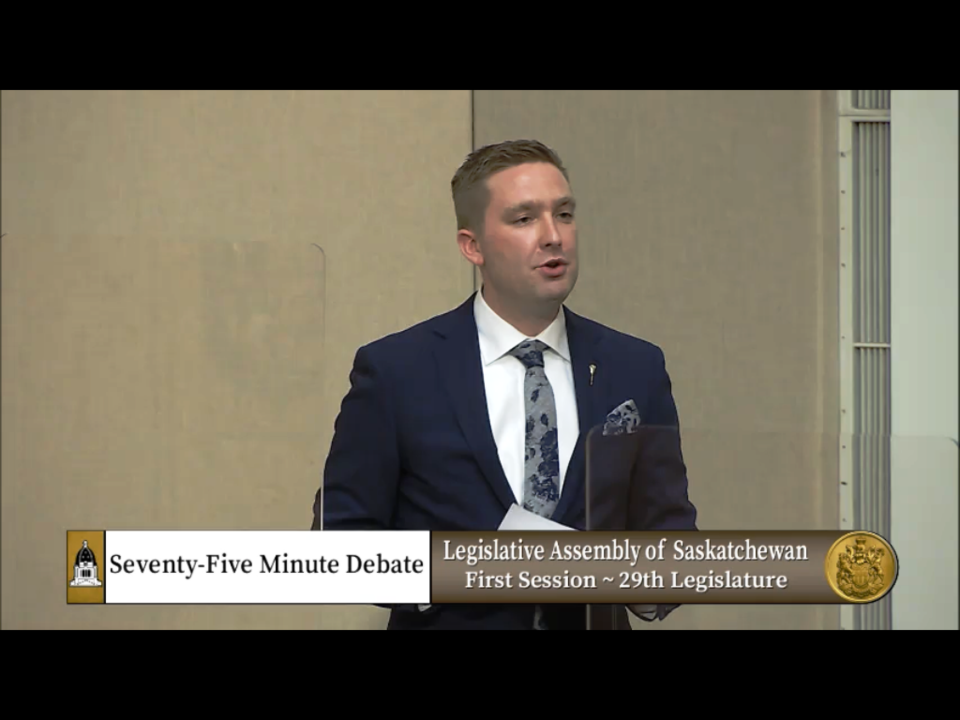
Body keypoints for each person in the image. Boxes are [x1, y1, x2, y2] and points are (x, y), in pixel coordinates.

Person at [314, 139, 697, 629]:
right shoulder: (396, 371)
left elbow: (671, 536)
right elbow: (340, 544)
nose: (553, 236)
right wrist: (473, 571)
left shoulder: (634, 367)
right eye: (524, 219)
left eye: (564, 214)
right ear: (472, 246)